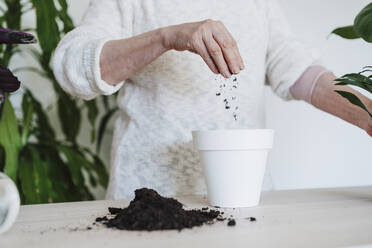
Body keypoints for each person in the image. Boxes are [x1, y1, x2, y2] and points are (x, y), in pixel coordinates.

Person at [53, 0, 372, 200]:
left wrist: (366, 112)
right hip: (147, 203)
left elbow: (301, 73)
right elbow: (72, 68)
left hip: (245, 202)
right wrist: (166, 37)